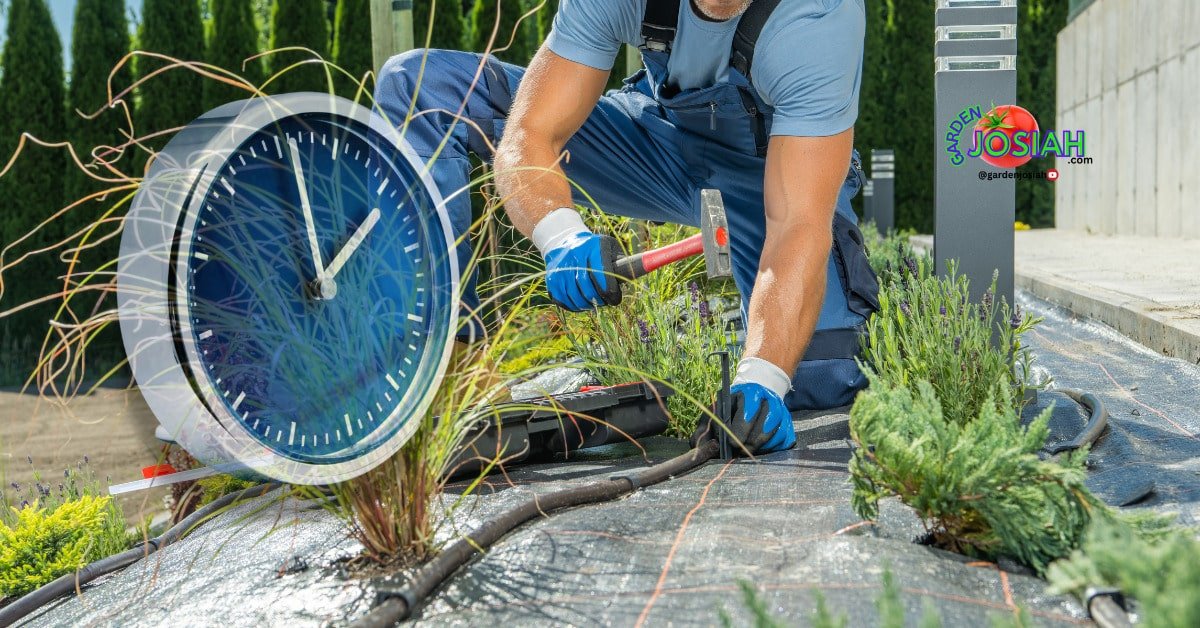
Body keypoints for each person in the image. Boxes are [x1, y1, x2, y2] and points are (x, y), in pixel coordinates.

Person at [373, 0, 879, 455]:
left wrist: (764, 376)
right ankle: (445, 366)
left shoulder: (818, 18)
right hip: (657, 143)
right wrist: (560, 233)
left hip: (767, 179)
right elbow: (531, 130)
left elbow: (797, 225)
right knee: (423, 87)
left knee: (816, 372)